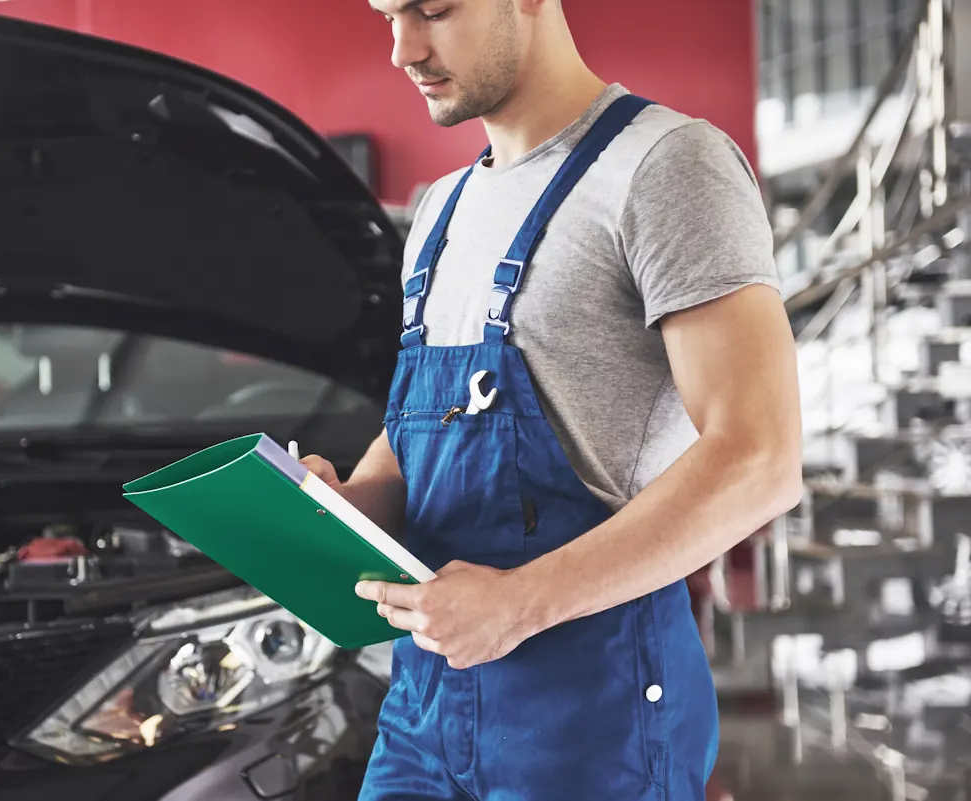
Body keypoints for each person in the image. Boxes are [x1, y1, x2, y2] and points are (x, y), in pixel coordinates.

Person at [299, 0, 803, 798]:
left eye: (432, 9)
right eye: (387, 13)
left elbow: (760, 457)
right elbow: (419, 434)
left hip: (594, 725)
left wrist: (521, 602)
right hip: (425, 712)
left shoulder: (668, 166)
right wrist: (347, 505)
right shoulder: (439, 210)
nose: (402, 48)